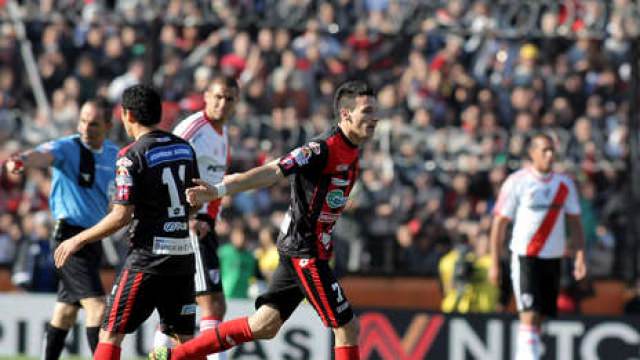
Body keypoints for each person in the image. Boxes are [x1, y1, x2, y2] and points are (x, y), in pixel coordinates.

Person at [149, 80, 378, 360]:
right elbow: (274, 170)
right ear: (346, 114)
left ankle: (173, 357)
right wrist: (221, 189)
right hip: (304, 252)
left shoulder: (352, 149)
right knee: (347, 327)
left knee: (264, 325)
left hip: (308, 249)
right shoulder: (321, 148)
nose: (374, 118)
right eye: (366, 111)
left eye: (374, 112)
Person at [53, 85, 201, 360]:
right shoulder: (185, 148)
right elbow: (195, 203)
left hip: (147, 260)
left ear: (127, 114)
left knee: (109, 333)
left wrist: (78, 239)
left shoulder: (130, 156)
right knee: (185, 340)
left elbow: (122, 215)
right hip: (181, 256)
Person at [5, 99, 118, 359]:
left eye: (94, 124)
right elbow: (42, 155)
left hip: (93, 238)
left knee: (66, 312)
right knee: (98, 308)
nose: (86, 128)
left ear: (109, 126)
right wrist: (22, 160)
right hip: (69, 237)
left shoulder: (113, 154)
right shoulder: (68, 147)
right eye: (83, 121)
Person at [153, 75, 238, 359]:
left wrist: (211, 218)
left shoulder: (223, 133)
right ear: (205, 96)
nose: (222, 103)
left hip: (204, 225)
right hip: (187, 224)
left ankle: (159, 355)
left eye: (229, 98)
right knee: (210, 304)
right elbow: (167, 164)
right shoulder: (193, 128)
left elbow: (216, 184)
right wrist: (185, 216)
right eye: (218, 96)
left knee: (191, 304)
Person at [489, 133, 587, 360]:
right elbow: (499, 224)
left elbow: (575, 222)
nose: (550, 155)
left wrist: (580, 257)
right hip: (526, 255)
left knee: (541, 315)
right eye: (544, 150)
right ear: (532, 153)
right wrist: (494, 262)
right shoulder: (517, 182)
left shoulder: (564, 184)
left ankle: (526, 352)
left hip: (553, 257)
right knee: (529, 312)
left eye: (552, 150)